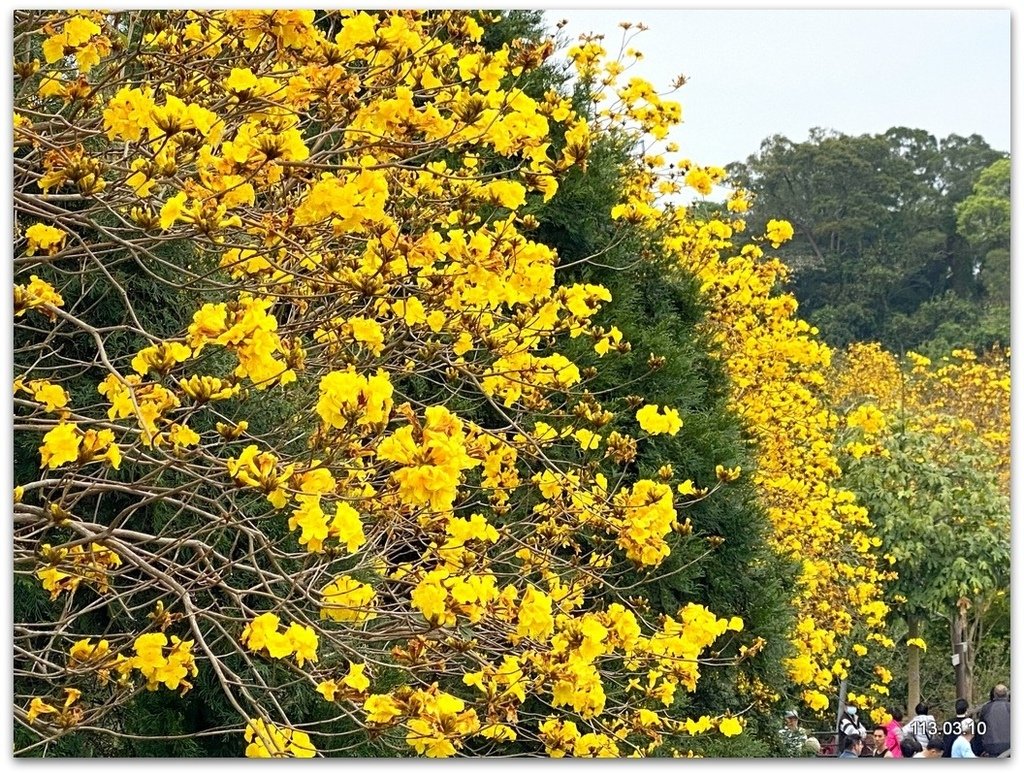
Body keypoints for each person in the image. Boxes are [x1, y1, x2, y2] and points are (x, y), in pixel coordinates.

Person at [977, 683, 1010, 757]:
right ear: (1007, 694)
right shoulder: (1010, 707)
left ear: (994, 694)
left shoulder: (986, 708)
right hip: (1009, 746)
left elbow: (981, 728)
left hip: (990, 746)